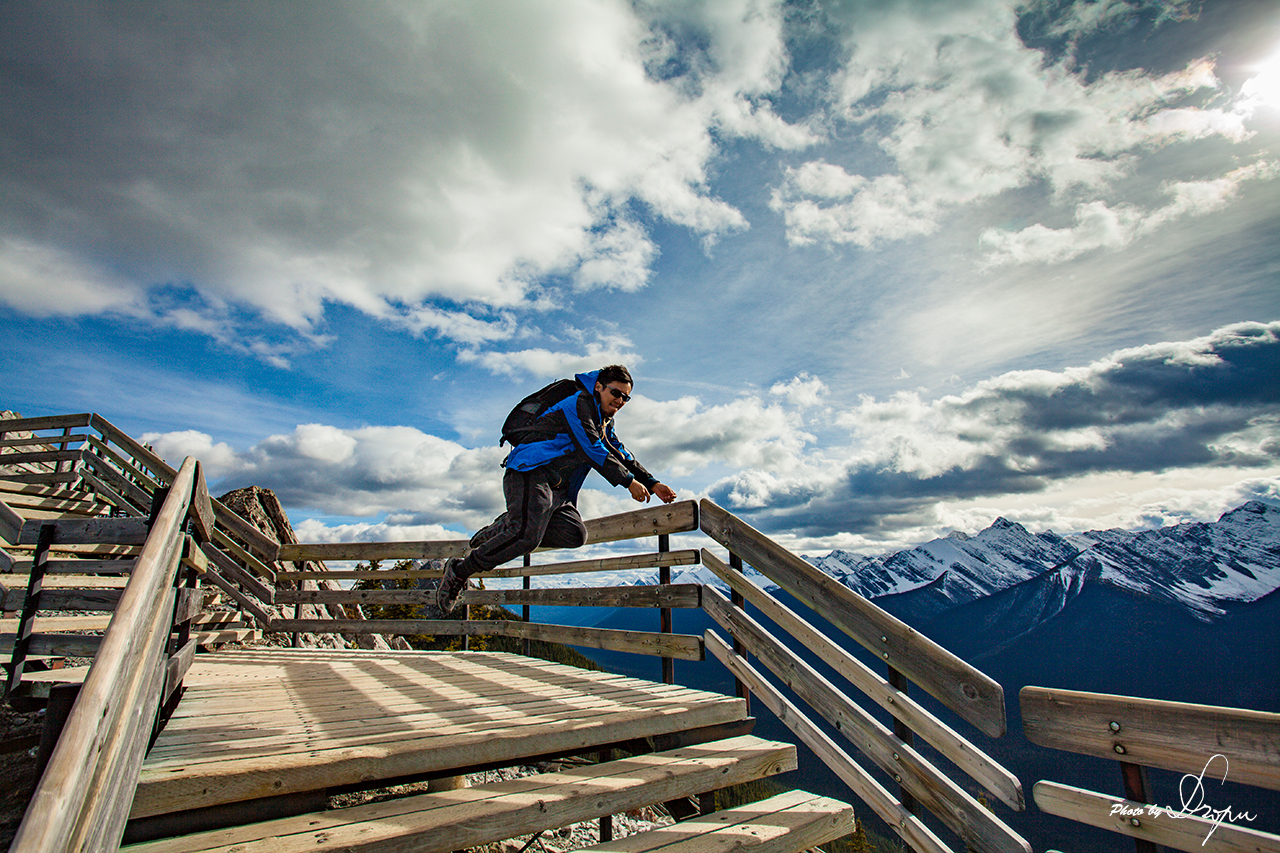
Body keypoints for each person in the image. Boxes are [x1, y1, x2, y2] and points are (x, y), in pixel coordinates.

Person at [434, 365, 677, 614]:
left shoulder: (603, 420)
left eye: (626, 397)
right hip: (530, 471)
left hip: (557, 488)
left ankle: (509, 525)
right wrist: (628, 482)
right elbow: (593, 449)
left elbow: (620, 452)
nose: (620, 401)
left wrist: (652, 483)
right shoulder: (578, 404)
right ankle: (459, 571)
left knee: (574, 534)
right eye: (616, 393)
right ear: (598, 387)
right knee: (528, 536)